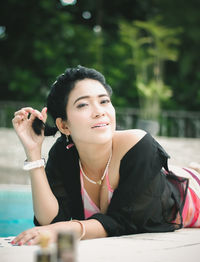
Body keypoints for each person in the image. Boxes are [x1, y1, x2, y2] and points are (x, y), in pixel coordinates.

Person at [11, 66, 200, 246]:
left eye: (104, 101)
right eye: (83, 104)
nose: (99, 111)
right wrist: (34, 152)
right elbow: (51, 220)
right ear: (64, 126)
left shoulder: (138, 144)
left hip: (193, 193)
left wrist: (66, 229)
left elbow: (125, 223)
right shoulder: (64, 153)